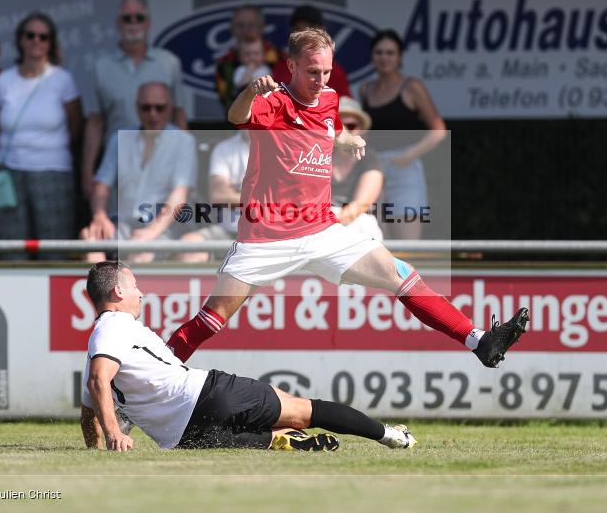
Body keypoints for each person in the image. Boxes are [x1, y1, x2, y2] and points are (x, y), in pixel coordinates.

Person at [166, 27, 529, 368]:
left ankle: (480, 341)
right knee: (211, 321)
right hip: (267, 236)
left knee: (403, 275)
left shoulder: (329, 98)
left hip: (322, 230)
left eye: (326, 71)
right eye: (311, 71)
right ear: (291, 65)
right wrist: (249, 91)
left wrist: (347, 139)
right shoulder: (272, 102)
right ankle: (133, 387)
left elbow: (331, 126)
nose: (320, 80)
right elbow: (236, 116)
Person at [79, 260, 417, 452]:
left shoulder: (101, 339)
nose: (142, 292)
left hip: (183, 437)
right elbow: (98, 382)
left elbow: (90, 402)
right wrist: (113, 434)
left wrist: (96, 447)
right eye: (135, 285)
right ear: (118, 291)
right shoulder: (114, 325)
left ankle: (285, 442)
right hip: (207, 395)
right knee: (303, 411)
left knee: (271, 436)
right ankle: (388, 434)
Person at [0, 12, 83, 259]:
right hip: (8, 171)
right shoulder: (3, 80)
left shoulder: (63, 80)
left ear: (51, 43)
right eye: (30, 35)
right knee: (11, 245)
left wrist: (44, 148)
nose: (36, 41)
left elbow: (75, 126)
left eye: (43, 37)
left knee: (54, 245)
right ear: (20, 40)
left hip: (52, 170)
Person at [82, 0, 186, 199]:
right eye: (126, 18)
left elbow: (179, 114)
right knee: (117, 224)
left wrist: (185, 161)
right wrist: (88, 169)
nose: (133, 23)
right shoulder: (101, 66)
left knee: (163, 224)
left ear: (148, 22)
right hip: (118, 165)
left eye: (138, 17)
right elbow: (95, 122)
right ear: (118, 23)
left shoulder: (169, 63)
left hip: (163, 162)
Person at [81, 82, 196, 263]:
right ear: (136, 108)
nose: (153, 114)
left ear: (170, 108)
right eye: (146, 108)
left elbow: (180, 195)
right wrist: (99, 215)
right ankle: (101, 291)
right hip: (122, 223)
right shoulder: (119, 138)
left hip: (165, 227)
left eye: (160, 108)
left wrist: (152, 231)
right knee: (89, 240)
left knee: (140, 253)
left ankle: (128, 290)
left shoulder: (184, 142)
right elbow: (102, 184)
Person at [359, 29, 447, 240]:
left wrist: (408, 156)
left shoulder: (411, 87)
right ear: (372, 56)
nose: (384, 58)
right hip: (375, 170)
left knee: (408, 244)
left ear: (400, 57)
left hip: (405, 170)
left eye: (390, 53)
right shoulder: (366, 89)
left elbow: (439, 130)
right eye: (379, 52)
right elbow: (365, 131)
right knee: (376, 241)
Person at [175, 130, 249, 263]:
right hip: (228, 232)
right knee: (188, 247)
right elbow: (218, 196)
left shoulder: (283, 148)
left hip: (271, 235)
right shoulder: (224, 149)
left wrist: (234, 194)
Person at [271, 3, 353, 97]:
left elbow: (346, 107)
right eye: (298, 30)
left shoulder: (335, 72)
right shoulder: (281, 67)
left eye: (309, 30)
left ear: (322, 31)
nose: (304, 36)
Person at [331, 97, 384, 240]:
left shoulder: (370, 159)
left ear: (362, 130)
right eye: (338, 126)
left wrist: (327, 226)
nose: (343, 132)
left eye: (350, 126)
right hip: (319, 222)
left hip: (356, 223)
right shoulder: (317, 156)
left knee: (365, 225)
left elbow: (361, 205)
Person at [214, 5, 283, 111]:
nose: (246, 30)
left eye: (251, 25)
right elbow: (227, 101)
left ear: (262, 27)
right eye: (240, 25)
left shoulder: (281, 58)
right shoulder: (224, 64)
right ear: (232, 29)